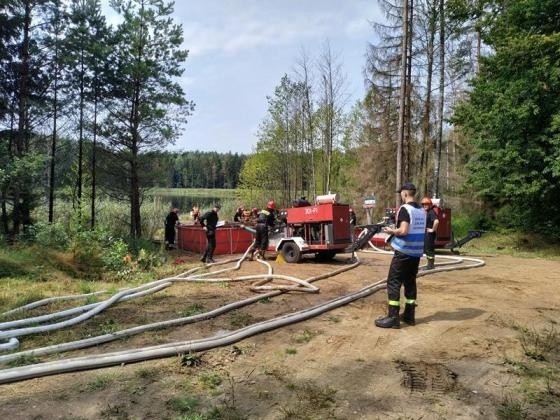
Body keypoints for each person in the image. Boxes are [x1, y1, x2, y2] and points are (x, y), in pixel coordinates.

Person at [375, 182, 426, 329]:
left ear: (405, 193)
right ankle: (410, 316)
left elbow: (403, 231)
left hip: (404, 252)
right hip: (416, 253)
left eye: (401, 194)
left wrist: (391, 231)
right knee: (410, 282)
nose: (401, 196)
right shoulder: (422, 210)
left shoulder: (405, 209)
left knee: (393, 282)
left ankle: (393, 317)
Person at [421, 197, 439, 270]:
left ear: (430, 205)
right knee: (426, 248)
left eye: (427, 204)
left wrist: (432, 230)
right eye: (424, 204)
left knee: (429, 249)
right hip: (427, 233)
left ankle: (431, 265)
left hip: (430, 234)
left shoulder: (431, 212)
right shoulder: (427, 212)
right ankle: (430, 264)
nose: (425, 206)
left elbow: (436, 221)